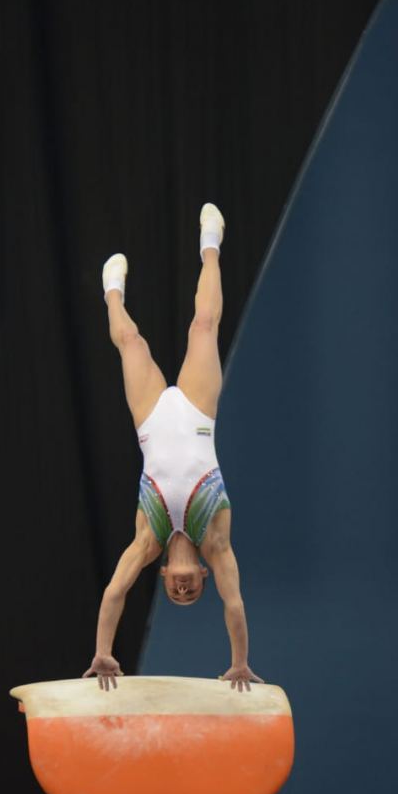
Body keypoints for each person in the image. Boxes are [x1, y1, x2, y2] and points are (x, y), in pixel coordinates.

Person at [83, 204, 263, 692]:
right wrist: (240, 661)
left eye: (175, 591)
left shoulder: (148, 538)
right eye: (191, 591)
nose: (183, 589)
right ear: (202, 574)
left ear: (163, 574)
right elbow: (234, 605)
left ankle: (111, 289)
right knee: (204, 326)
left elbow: (116, 589)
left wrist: (103, 652)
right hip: (198, 414)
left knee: (129, 340)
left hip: (153, 422)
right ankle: (210, 241)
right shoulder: (217, 541)